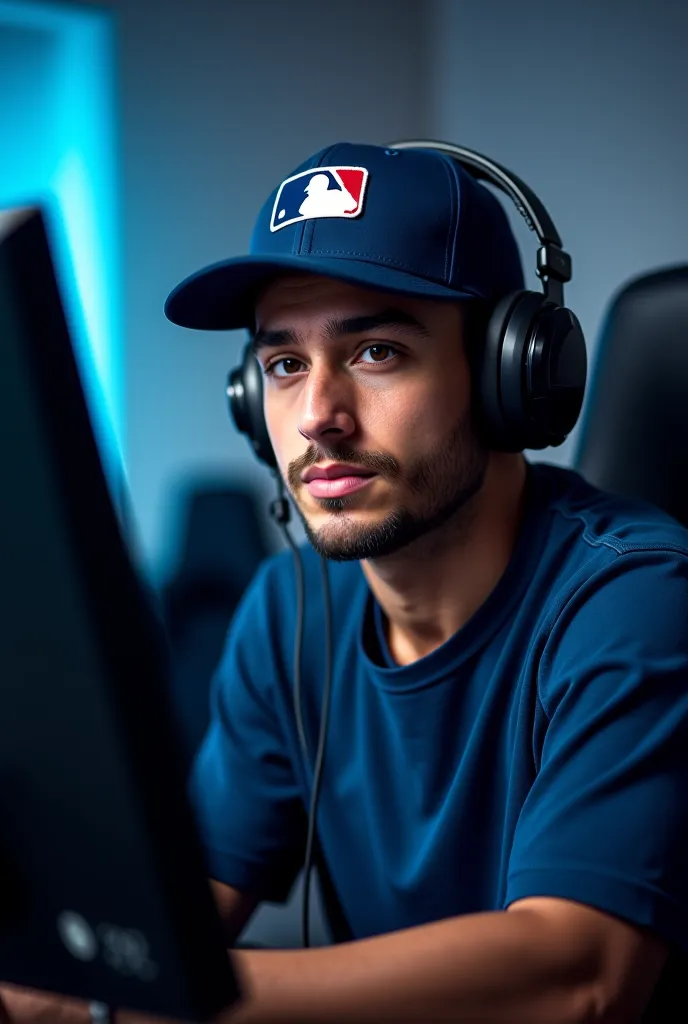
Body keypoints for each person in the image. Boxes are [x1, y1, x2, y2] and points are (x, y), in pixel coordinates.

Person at [3, 141, 688, 1023]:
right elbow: (187, 912)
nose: (318, 416)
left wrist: (110, 997)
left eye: (375, 351)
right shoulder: (289, 610)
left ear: (507, 375)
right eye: (284, 365)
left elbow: (576, 978)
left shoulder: (638, 600)